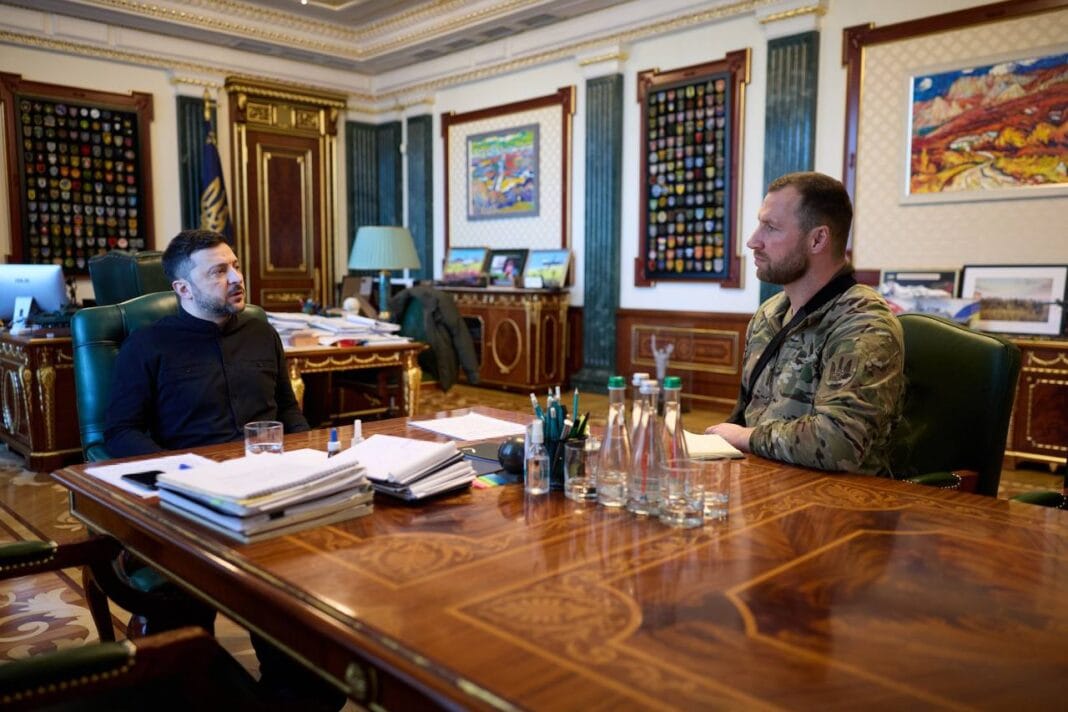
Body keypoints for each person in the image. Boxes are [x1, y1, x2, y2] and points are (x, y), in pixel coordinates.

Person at [104, 229, 343, 710]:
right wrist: (182, 476)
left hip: (271, 492)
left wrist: (311, 458)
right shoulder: (146, 347)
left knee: (312, 669)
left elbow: (288, 413)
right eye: (218, 271)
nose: (236, 277)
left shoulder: (261, 331)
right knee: (183, 675)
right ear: (183, 289)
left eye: (234, 265)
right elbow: (121, 432)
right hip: (194, 502)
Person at [705, 172, 904, 474]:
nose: (752, 241)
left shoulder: (864, 322)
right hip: (765, 486)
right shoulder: (768, 315)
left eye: (770, 227)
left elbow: (841, 442)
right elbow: (746, 415)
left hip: (840, 504)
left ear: (818, 239)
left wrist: (748, 438)